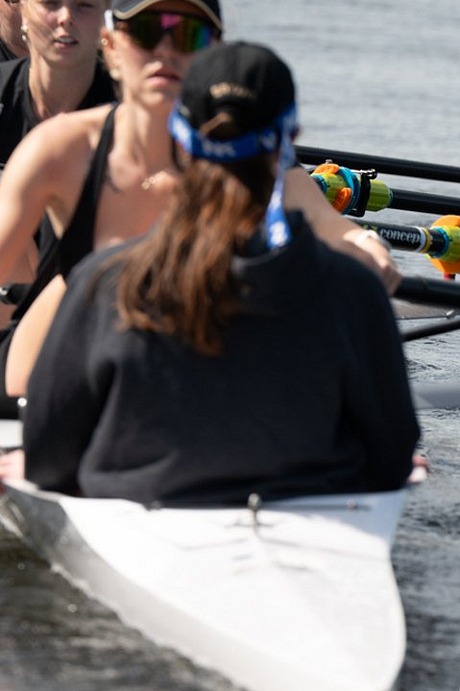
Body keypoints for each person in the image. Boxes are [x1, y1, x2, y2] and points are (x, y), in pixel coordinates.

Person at [18, 40, 418, 505]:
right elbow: (392, 458)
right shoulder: (355, 291)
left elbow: (47, 461)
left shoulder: (104, 281)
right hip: (311, 510)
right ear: (289, 141)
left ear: (179, 140)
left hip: (140, 509)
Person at [0, 0, 397, 409]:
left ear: (214, 54)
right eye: (148, 32)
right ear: (112, 46)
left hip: (177, 379)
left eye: (189, 35)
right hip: (52, 385)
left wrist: (368, 248)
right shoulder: (59, 150)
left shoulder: (241, 152)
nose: (166, 52)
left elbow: (326, 223)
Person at [0, 0, 118, 163]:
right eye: (51, 3)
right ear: (24, 12)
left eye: (84, 5)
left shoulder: (131, 107)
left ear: (105, 14)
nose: (66, 18)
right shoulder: (3, 89)